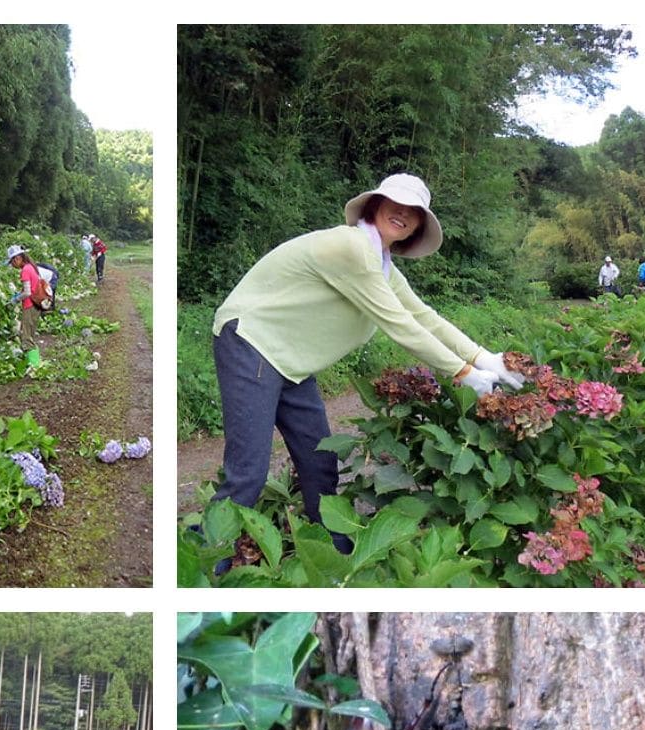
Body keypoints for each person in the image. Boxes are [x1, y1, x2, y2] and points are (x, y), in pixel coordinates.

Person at [209, 173, 525, 549]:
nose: (403, 214)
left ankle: (333, 557)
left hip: (291, 363)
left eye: (414, 211)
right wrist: (464, 373)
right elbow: (400, 326)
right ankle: (204, 560)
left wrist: (485, 358)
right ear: (375, 204)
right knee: (248, 473)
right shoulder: (352, 247)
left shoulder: (382, 265)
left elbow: (425, 317)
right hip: (252, 341)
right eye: (396, 203)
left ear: (418, 227)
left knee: (320, 463)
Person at [7, 245, 44, 368]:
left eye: (12, 262)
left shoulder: (25, 270)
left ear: (17, 258)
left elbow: (27, 292)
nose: (12, 265)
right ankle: (35, 362)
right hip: (36, 306)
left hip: (29, 306)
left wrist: (15, 299)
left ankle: (34, 366)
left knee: (27, 337)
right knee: (31, 334)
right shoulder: (31, 267)